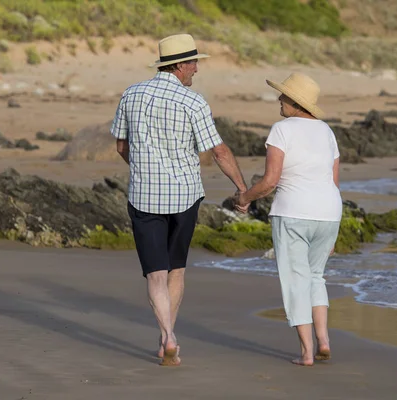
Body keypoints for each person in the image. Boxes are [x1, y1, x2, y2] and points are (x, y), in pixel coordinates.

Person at [111, 33, 248, 366]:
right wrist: (242, 189)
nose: (197, 70)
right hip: (185, 196)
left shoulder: (131, 94)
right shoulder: (194, 102)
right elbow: (219, 150)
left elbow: (120, 146)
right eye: (195, 63)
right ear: (182, 65)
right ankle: (166, 338)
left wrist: (144, 168)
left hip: (144, 195)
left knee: (155, 274)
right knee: (176, 271)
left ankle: (168, 337)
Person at [234, 73, 342, 366]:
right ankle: (324, 341)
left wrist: (244, 198)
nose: (278, 100)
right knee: (315, 277)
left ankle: (307, 352)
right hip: (329, 213)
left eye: (283, 96)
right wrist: (334, 232)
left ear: (295, 102)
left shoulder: (282, 129)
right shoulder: (327, 132)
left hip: (293, 212)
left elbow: (270, 181)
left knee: (296, 282)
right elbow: (333, 182)